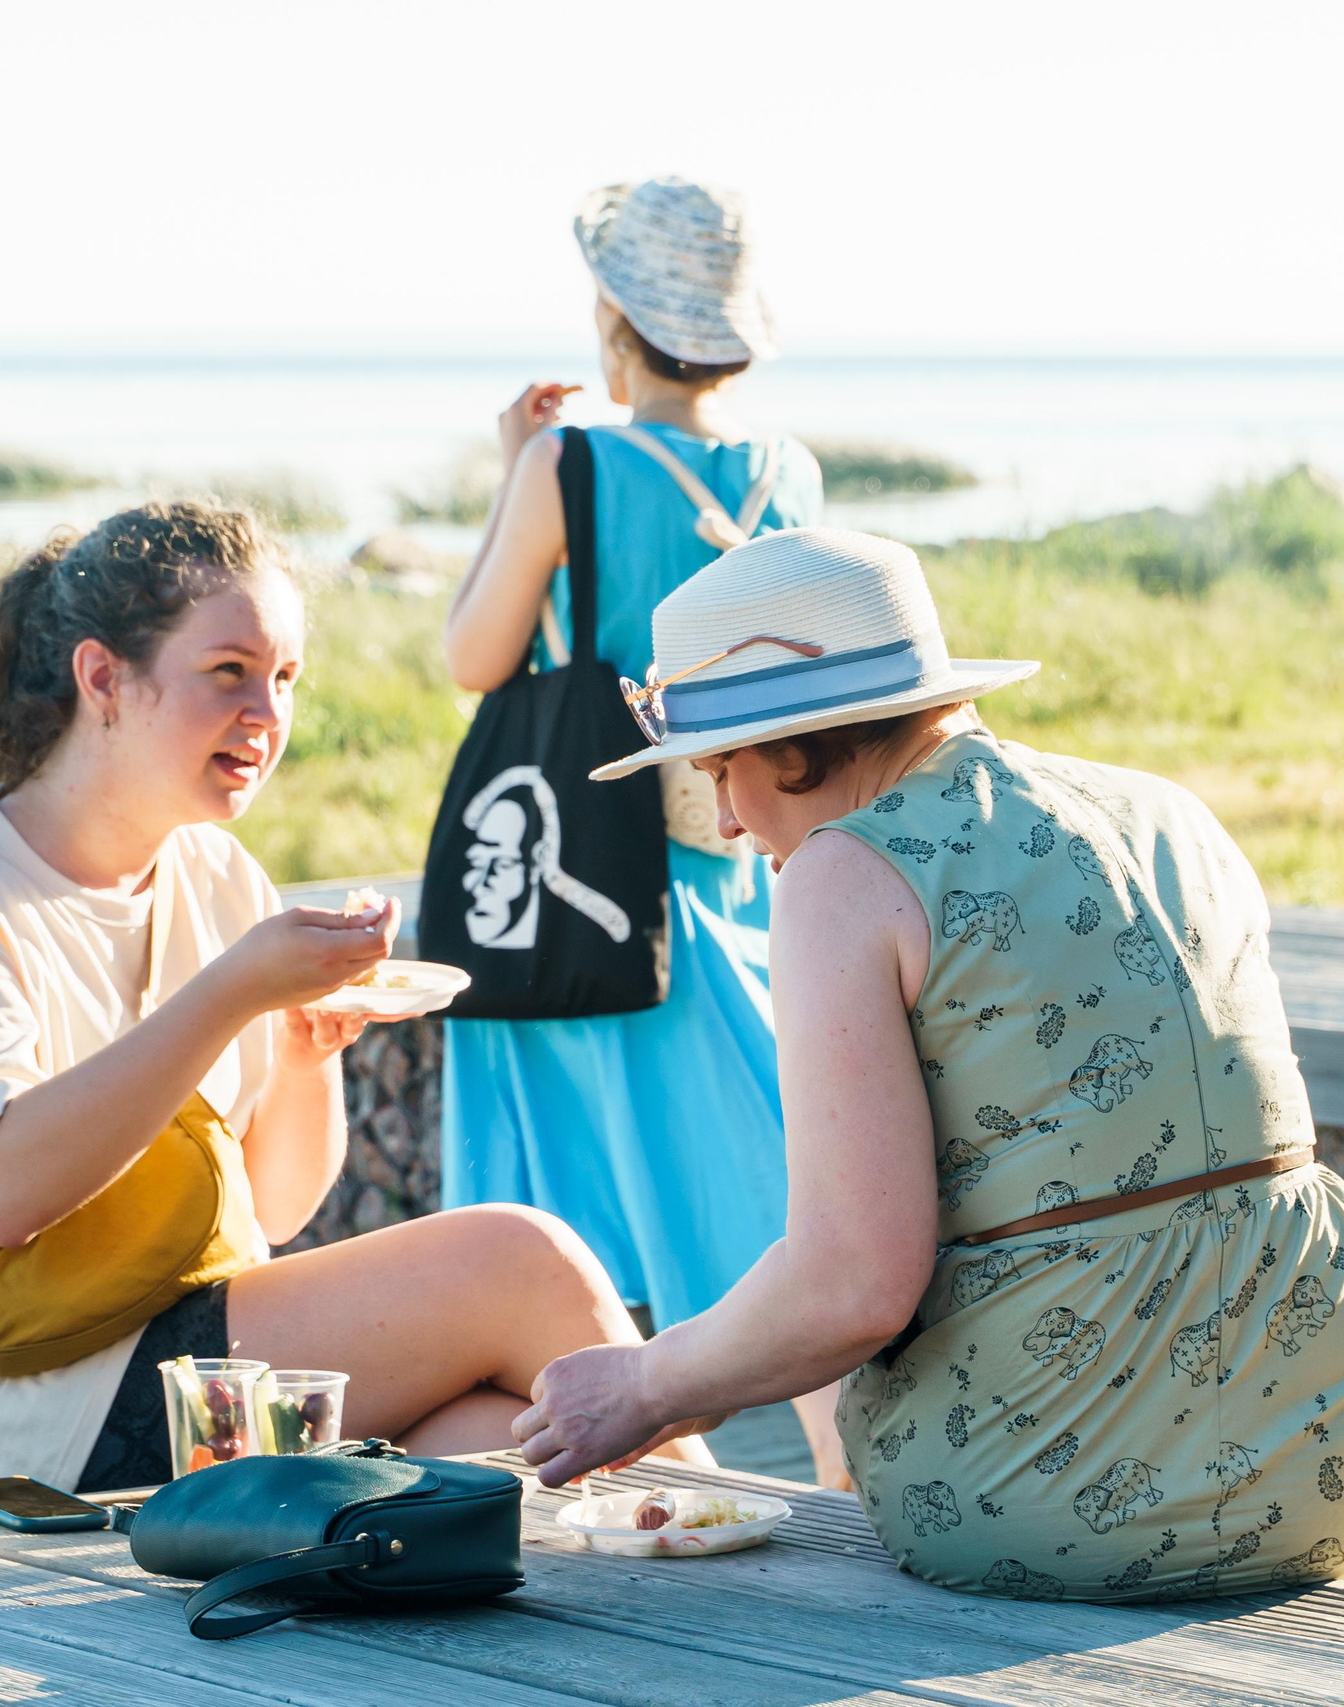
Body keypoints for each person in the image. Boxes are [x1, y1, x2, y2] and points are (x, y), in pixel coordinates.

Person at [513, 527, 1344, 1601]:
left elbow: (852, 1286)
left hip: (1056, 1485)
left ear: (800, 740)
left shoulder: (843, 875)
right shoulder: (1166, 809)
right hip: (1332, 1455)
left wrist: (647, 1382)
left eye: (724, 766)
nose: (723, 818)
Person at [0, 501, 708, 1495]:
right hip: (4, 1412)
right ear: (101, 677)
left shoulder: (217, 876)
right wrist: (227, 994)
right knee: (517, 1259)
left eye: (284, 678)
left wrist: (301, 1050)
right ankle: (750, 1550)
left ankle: (711, 1556)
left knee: (500, 1440)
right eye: (228, 673)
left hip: (184, 1364)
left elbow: (277, 1208)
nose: (267, 713)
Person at [440, 176, 841, 1479]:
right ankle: (846, 1472)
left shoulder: (572, 464)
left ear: (615, 319)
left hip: (587, 899)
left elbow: (474, 653)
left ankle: (622, 1500)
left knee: (569, 1231)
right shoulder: (792, 475)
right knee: (771, 1195)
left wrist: (517, 482)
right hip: (733, 877)